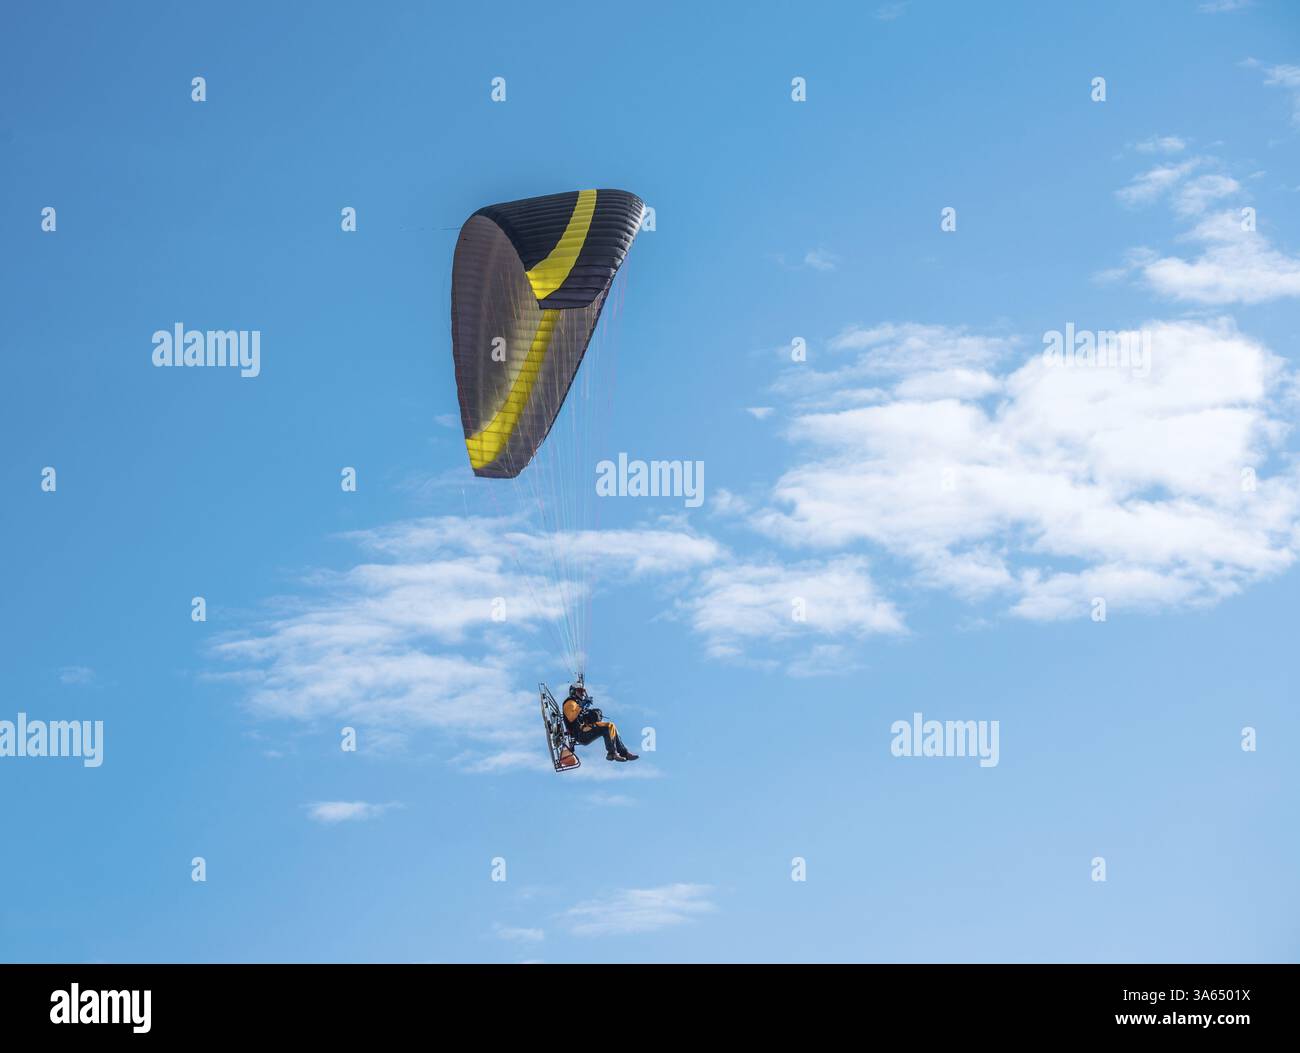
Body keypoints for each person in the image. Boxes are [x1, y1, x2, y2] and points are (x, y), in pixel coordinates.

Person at [562, 682, 638, 762]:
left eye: (583, 692)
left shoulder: (578, 704)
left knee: (611, 726)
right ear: (573, 692)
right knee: (607, 727)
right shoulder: (570, 702)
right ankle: (612, 753)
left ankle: (624, 753)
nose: (582, 694)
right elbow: (571, 718)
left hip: (585, 729)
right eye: (580, 691)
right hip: (580, 733)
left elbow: (581, 715)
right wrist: (581, 705)